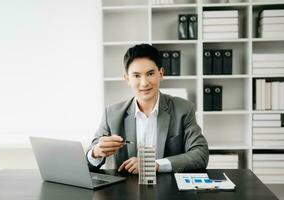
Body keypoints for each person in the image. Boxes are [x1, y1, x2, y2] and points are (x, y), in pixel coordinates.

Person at [86, 44, 209, 174]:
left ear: (161, 74)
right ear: (127, 79)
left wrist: (152, 165)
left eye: (150, 74)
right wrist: (96, 152)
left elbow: (200, 155)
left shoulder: (184, 109)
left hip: (168, 189)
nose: (144, 83)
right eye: (136, 76)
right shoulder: (111, 113)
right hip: (125, 190)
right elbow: (89, 162)